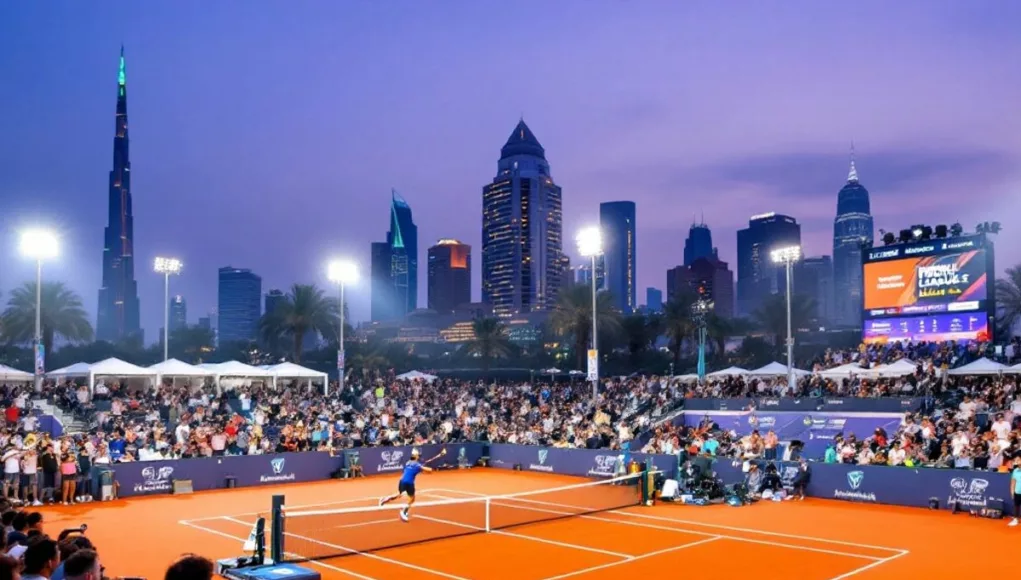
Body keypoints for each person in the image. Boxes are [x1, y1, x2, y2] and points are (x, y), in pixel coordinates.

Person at [378, 448, 437, 522]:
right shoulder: (417, 465)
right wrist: (426, 468)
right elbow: (429, 471)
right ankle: (404, 511)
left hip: (402, 481)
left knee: (399, 495)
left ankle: (384, 500)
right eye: (418, 455)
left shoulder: (408, 462)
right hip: (409, 483)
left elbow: (416, 469)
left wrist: (421, 468)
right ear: (415, 456)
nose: (419, 456)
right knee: (412, 499)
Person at [1010, 458, 1021, 527]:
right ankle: (1016, 519)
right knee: (1016, 506)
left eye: (1018, 460)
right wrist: (1012, 491)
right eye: (1016, 460)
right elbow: (1013, 482)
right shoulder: (1015, 470)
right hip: (1017, 491)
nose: (1016, 461)